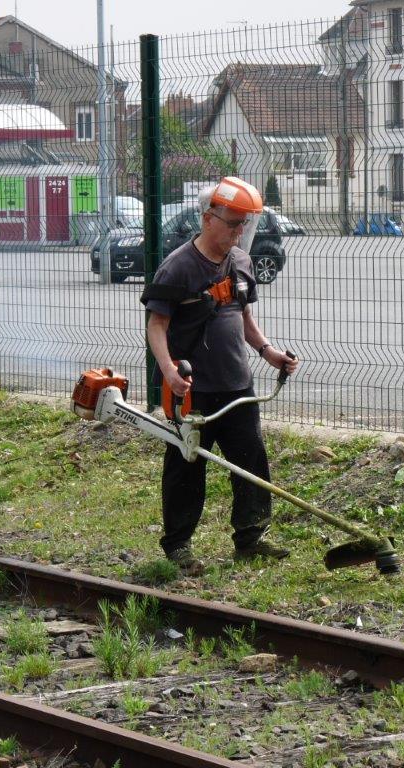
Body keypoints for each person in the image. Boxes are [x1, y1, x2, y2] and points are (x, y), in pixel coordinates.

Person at [141, 177, 300, 576]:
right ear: (208, 218)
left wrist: (269, 352)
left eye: (244, 224)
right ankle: (178, 545)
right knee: (185, 469)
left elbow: (244, 317)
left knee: (251, 461)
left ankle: (251, 537)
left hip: (237, 384)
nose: (239, 232)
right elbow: (156, 325)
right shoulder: (178, 267)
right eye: (232, 223)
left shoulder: (242, 263)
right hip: (193, 389)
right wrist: (169, 371)